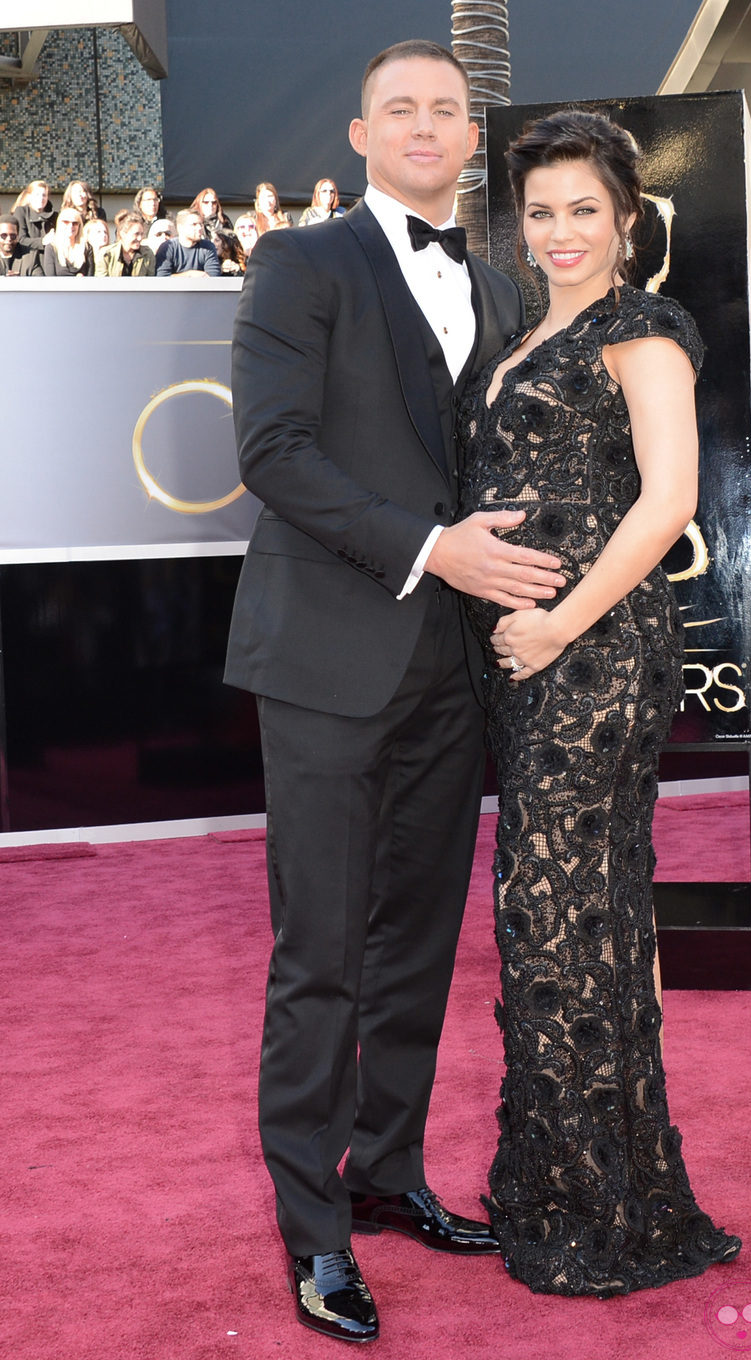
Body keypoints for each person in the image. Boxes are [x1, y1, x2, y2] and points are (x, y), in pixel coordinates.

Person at [224, 39, 566, 1343]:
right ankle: (313, 1234)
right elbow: (274, 452)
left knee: (418, 948)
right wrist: (433, 549)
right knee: (320, 957)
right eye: (400, 110)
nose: (426, 126)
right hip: (322, 664)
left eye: (448, 110)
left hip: (451, 670)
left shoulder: (497, 281)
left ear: (471, 139)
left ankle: (387, 1174)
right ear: (361, 137)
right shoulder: (300, 263)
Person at [457, 106, 741, 1298]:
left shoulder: (643, 327)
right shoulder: (530, 330)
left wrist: (558, 621)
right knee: (553, 915)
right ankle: (565, 1175)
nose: (561, 231)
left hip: (593, 656)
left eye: (584, 210)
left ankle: (602, 1203)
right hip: (527, 658)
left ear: (628, 218)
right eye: (541, 212)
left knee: (568, 919)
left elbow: (669, 494)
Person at [155, 209, 222, 277]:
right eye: (194, 224)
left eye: (201, 224)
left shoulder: (208, 247)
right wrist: (189, 275)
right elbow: (162, 278)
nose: (199, 228)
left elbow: (213, 277)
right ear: (180, 227)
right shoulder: (167, 248)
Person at [95, 210, 156, 277]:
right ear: (123, 234)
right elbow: (101, 283)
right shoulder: (106, 254)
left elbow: (151, 281)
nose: (139, 238)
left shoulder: (147, 254)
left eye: (141, 234)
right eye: (136, 234)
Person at [42, 209, 91, 276]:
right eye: (66, 222)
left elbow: (91, 278)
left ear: (79, 226)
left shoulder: (87, 248)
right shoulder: (51, 248)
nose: (71, 226)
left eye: (75, 223)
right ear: (59, 224)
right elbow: (50, 279)